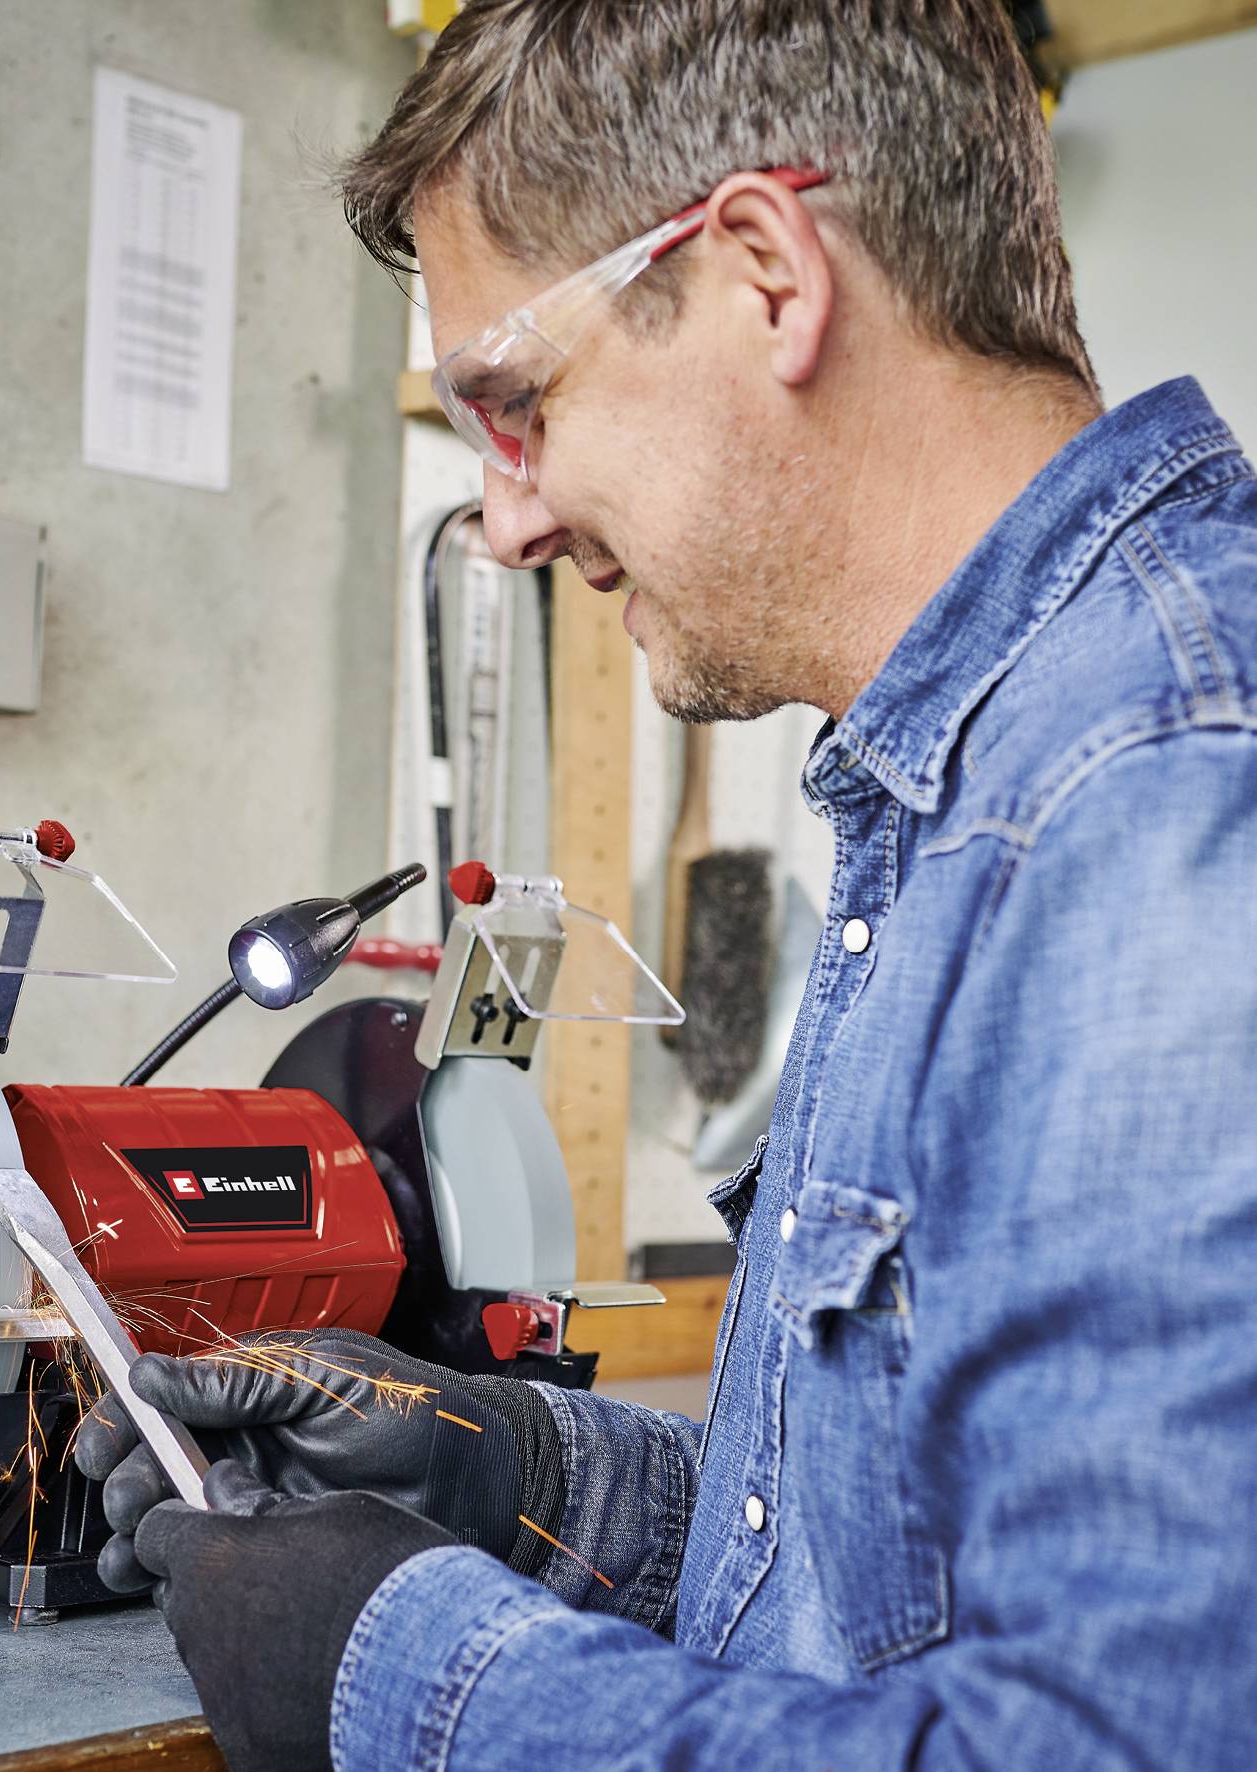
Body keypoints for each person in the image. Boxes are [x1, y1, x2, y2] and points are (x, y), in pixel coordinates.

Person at [77, 3, 1257, 1766]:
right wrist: (511, 1471)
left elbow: (1107, 1745)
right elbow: (882, 1579)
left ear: (768, 273)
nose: (504, 519)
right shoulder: (966, 794)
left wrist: (411, 1676)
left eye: (519, 401)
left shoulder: (1151, 800)